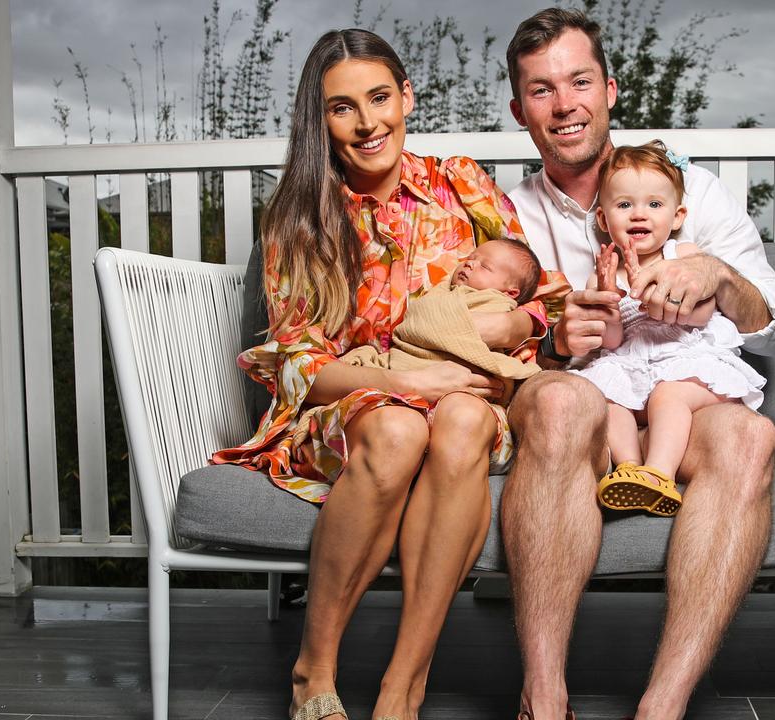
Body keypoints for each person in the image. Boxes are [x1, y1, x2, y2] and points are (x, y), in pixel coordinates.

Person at [209, 28, 559, 720]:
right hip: (353, 404)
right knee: (401, 428)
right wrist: (414, 385)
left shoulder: (461, 183)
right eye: (343, 108)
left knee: (460, 419)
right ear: (321, 120)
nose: (369, 123)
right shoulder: (301, 219)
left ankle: (404, 685)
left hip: (463, 397)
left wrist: (517, 325)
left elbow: (540, 293)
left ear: (407, 96)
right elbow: (301, 368)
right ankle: (316, 666)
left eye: (379, 98)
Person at [500, 8, 775, 720]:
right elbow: (475, 342)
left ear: (610, 88)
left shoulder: (690, 191)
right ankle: (543, 702)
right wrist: (551, 343)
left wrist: (718, 277)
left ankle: (661, 708)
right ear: (520, 110)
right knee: (561, 398)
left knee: (752, 437)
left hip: (675, 395)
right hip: (582, 406)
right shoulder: (506, 213)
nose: (565, 104)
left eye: (579, 81)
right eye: (542, 90)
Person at [576, 142, 766, 518]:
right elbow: (612, 341)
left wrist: (653, 298)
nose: (639, 215)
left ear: (678, 216)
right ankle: (629, 469)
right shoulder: (603, 274)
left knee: (668, 395)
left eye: (654, 205)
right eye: (624, 205)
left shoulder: (684, 256)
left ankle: (659, 474)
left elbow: (702, 314)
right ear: (603, 219)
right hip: (632, 364)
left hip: (686, 360)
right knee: (605, 401)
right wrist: (608, 296)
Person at [340, 238, 548, 403]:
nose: (470, 263)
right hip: (413, 372)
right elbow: (421, 314)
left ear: (510, 292)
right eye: (470, 257)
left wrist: (519, 323)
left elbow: (429, 322)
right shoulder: (446, 290)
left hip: (468, 383)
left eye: (485, 267)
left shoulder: (496, 303)